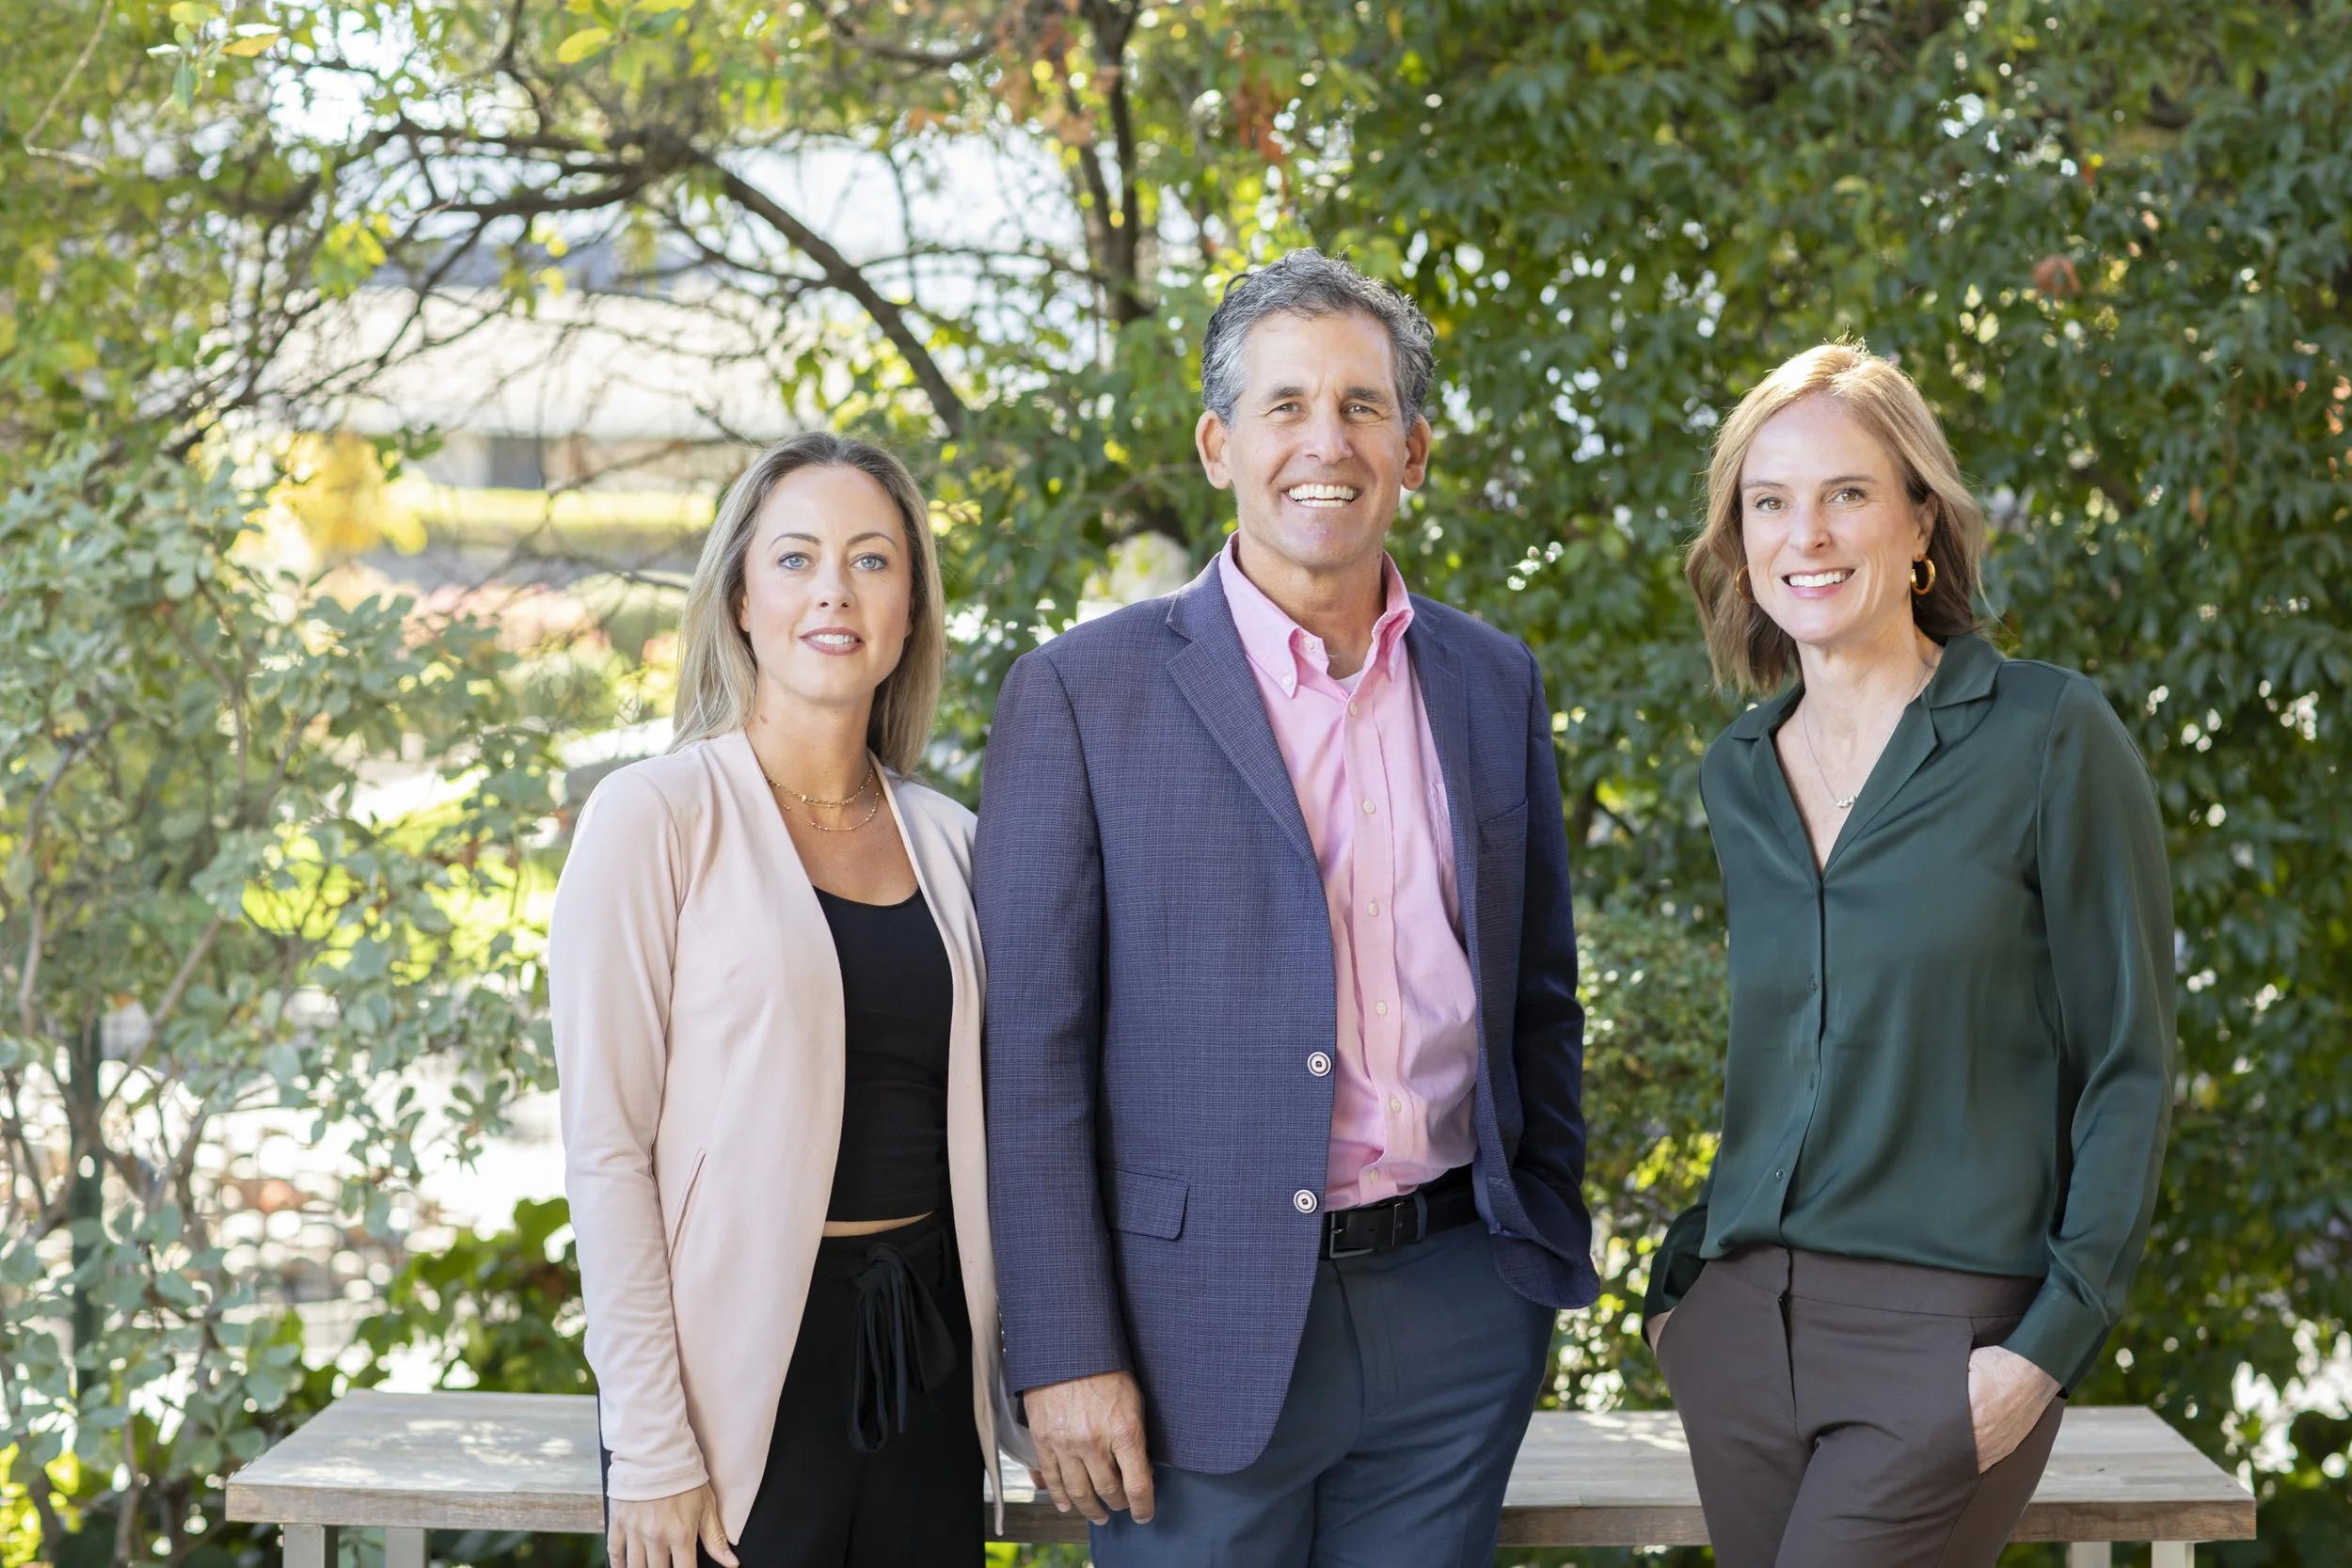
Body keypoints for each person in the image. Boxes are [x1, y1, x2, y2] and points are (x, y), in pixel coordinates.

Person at [977, 249, 1598, 1567]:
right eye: (1286, 406)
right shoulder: (1086, 694)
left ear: (1415, 447)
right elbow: (1027, 1062)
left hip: (1454, 1312)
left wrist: (1529, 1259)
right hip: (1184, 1331)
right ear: (1218, 444)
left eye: (1364, 407)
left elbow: (1539, 996)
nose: (1329, 441)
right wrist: (1067, 1347)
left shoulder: (1491, 682)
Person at [1645, 343, 2174, 1565]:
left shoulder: (2049, 735)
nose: (1806, 533)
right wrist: (1684, 1307)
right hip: (1743, 1337)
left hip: (1944, 1335)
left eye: (1848, 492)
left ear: (1920, 516)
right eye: (1768, 502)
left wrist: (2043, 1347)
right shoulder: (1740, 771)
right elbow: (1787, 1058)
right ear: (1739, 540)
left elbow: (2129, 1065)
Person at [551, 432, 1023, 1568]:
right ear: (743, 600)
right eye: (797, 558)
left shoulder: (956, 844)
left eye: (871, 561)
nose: (835, 591)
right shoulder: (653, 817)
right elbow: (607, 1150)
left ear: (908, 610)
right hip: (729, 1379)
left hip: (925, 1353)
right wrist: (651, 1441)